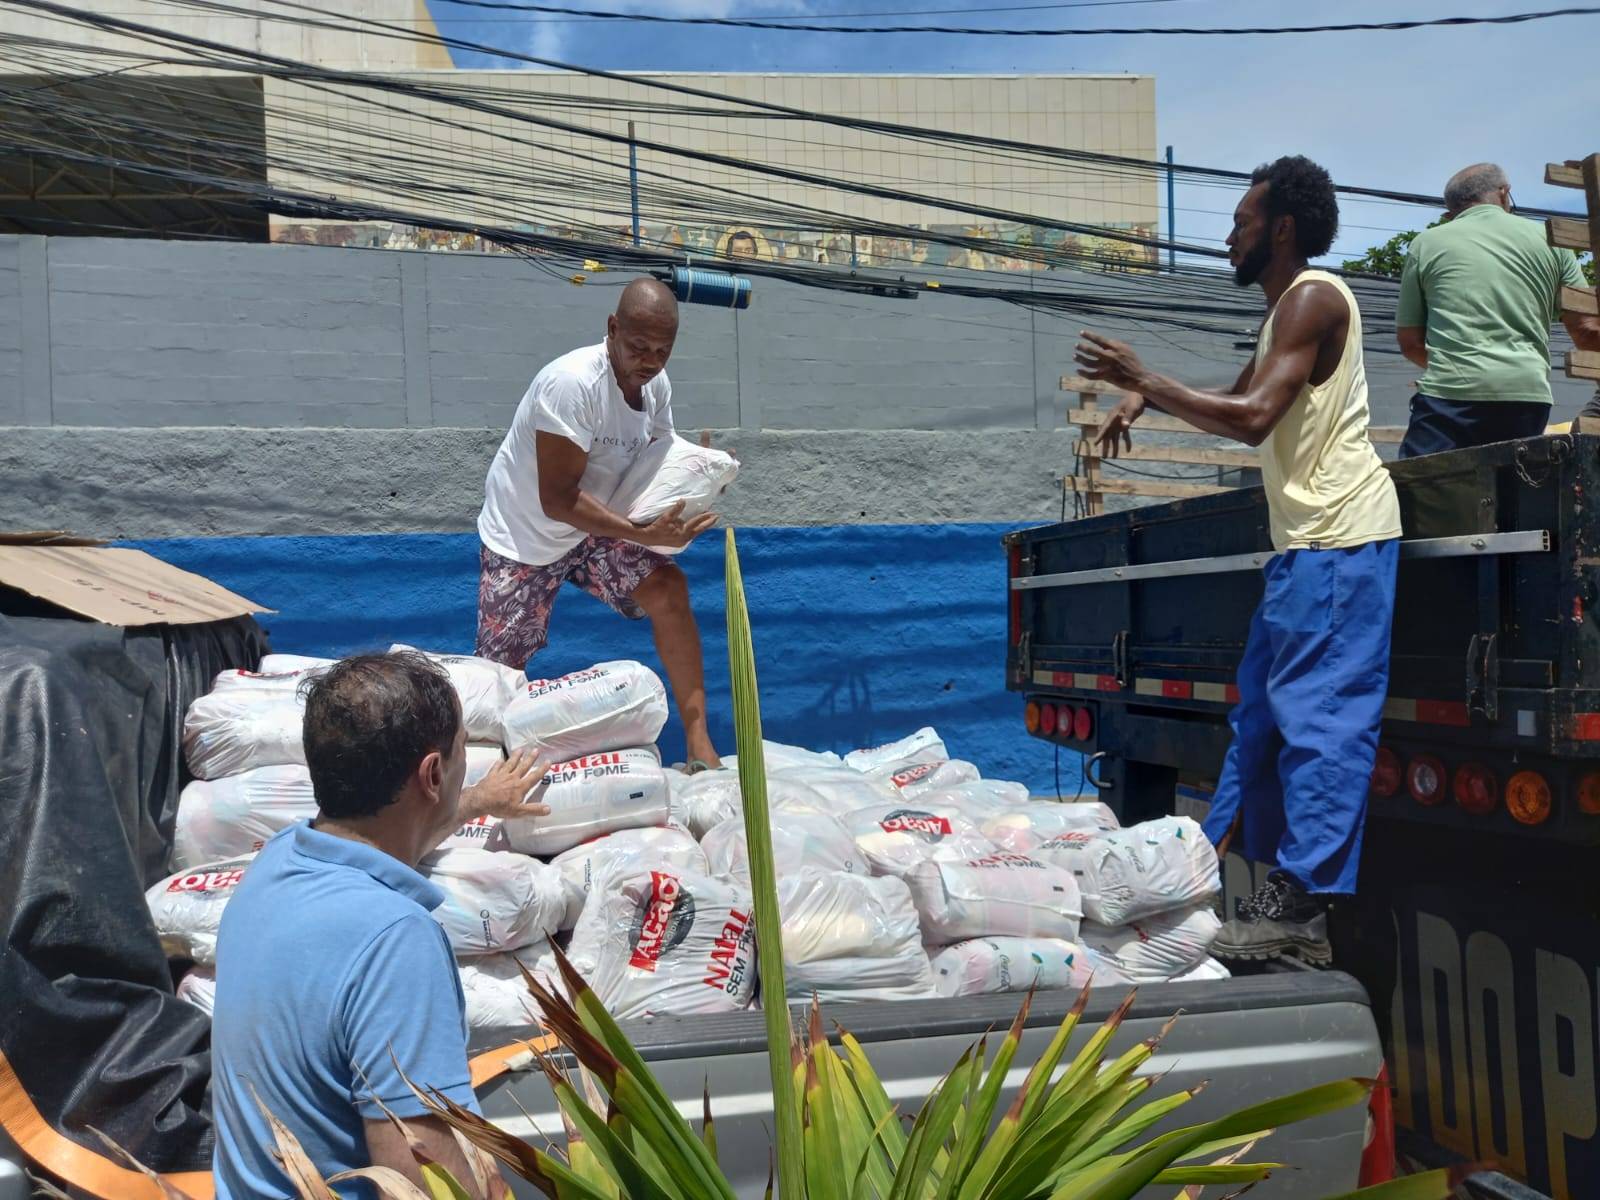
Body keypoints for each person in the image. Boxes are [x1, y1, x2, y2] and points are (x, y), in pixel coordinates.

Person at [1077, 155, 1403, 966]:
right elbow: (1240, 392)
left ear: (1282, 229)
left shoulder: (1315, 300)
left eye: (1242, 222)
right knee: (1258, 720)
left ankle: (1300, 903)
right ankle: (1207, 875)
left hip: (1340, 544)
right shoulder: (1282, 316)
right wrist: (1146, 394)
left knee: (1321, 728)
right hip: (1304, 553)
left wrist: (1146, 375)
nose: (1228, 237)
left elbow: (1254, 418)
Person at [210, 651, 548, 1198]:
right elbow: (424, 1180)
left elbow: (386, 843)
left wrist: (476, 803)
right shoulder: (396, 941)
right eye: (465, 752)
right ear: (433, 774)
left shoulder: (276, 864)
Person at [476, 277, 722, 770]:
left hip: (598, 529)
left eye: (662, 350)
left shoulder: (655, 387)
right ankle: (491, 773)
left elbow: (659, 454)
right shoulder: (572, 385)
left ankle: (700, 745)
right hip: (526, 535)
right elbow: (558, 499)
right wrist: (643, 534)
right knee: (501, 677)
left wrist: (703, 473)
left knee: (669, 590)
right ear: (612, 329)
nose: (649, 361)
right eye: (637, 347)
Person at [1395, 163, 1600, 456]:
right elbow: (1586, 330)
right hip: (1525, 395)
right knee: (1516, 493)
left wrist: (1459, 366)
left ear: (1451, 212)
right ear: (1504, 193)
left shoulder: (1425, 244)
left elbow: (1410, 343)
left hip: (1449, 396)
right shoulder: (1551, 241)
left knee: (1425, 491)